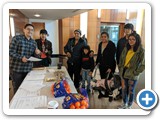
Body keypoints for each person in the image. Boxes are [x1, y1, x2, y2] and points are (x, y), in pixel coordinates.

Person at [9, 23, 41, 93]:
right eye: (28, 29)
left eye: (32, 30)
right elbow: (10, 52)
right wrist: (21, 58)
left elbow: (35, 56)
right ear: (24, 30)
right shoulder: (16, 38)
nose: (30, 31)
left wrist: (37, 53)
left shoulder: (34, 42)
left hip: (28, 69)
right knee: (17, 88)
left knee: (27, 88)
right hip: (17, 69)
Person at [118, 31, 145, 109]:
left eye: (133, 39)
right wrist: (120, 68)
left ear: (137, 40)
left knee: (130, 91)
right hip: (124, 72)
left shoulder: (141, 51)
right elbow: (121, 60)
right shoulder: (126, 48)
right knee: (123, 89)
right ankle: (124, 103)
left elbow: (143, 64)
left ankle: (129, 105)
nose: (131, 41)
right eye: (129, 39)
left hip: (132, 74)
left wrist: (135, 72)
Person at [96, 31, 116, 99]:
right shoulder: (100, 44)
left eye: (105, 37)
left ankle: (109, 94)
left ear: (108, 37)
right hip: (102, 65)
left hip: (109, 65)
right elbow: (99, 54)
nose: (103, 38)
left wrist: (110, 67)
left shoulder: (111, 44)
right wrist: (97, 63)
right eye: (102, 37)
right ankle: (102, 93)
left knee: (109, 81)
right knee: (102, 80)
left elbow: (112, 57)